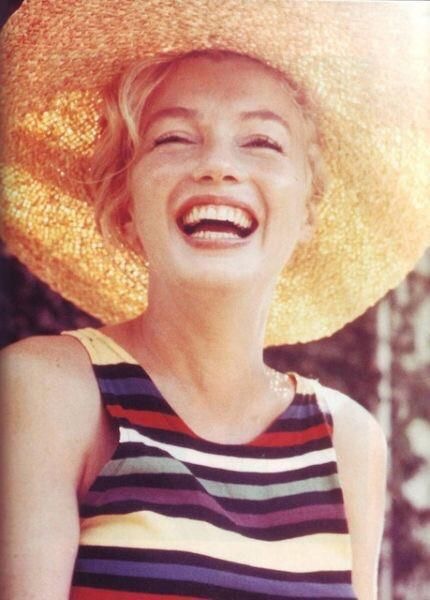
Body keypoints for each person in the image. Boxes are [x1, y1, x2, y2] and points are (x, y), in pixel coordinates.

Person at [1, 2, 429, 599]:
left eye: (261, 141)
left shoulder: (348, 440)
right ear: (125, 204)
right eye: (174, 137)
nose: (218, 167)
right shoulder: (50, 390)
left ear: (309, 208)